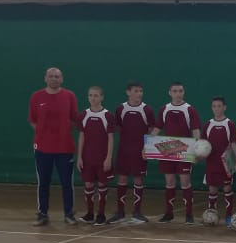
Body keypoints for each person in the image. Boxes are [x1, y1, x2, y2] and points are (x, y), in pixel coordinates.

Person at [27, 66, 79, 226]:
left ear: (61, 79)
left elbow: (74, 119)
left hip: (65, 148)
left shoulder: (70, 96)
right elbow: (32, 120)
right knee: (43, 183)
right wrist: (43, 133)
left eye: (57, 76)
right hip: (43, 149)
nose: (54, 79)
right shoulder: (36, 97)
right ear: (45, 78)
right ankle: (42, 214)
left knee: (67, 183)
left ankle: (69, 214)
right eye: (51, 76)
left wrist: (62, 131)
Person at [109, 82, 157, 224]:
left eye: (141, 91)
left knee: (138, 179)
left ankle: (137, 212)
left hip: (139, 152)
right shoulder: (121, 109)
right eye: (136, 91)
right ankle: (120, 212)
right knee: (122, 179)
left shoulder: (147, 110)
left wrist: (146, 148)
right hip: (123, 151)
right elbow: (118, 127)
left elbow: (152, 130)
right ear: (128, 92)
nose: (139, 93)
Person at [157, 82, 202, 224]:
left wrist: (196, 151)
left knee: (185, 182)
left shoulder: (190, 110)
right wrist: (146, 147)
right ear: (170, 93)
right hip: (167, 150)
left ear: (184, 92)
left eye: (180, 91)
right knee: (169, 182)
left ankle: (189, 214)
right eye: (175, 91)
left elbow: (196, 132)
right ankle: (169, 214)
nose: (178, 93)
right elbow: (157, 129)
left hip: (184, 150)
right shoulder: (164, 109)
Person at [76, 85, 117, 226]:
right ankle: (89, 214)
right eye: (90, 95)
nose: (93, 98)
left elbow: (111, 139)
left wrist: (108, 158)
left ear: (102, 97)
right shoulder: (83, 115)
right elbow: (81, 137)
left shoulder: (108, 116)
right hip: (87, 158)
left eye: (96, 95)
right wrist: (79, 157)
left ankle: (101, 215)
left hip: (102, 158)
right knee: (88, 184)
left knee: (102, 185)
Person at [203, 96, 236, 226]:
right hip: (211, 163)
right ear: (211, 108)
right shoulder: (208, 125)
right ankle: (211, 216)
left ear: (224, 107)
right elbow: (202, 144)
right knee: (212, 189)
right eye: (214, 106)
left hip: (225, 164)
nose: (216, 109)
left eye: (219, 106)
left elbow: (233, 143)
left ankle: (229, 217)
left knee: (227, 188)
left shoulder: (229, 124)